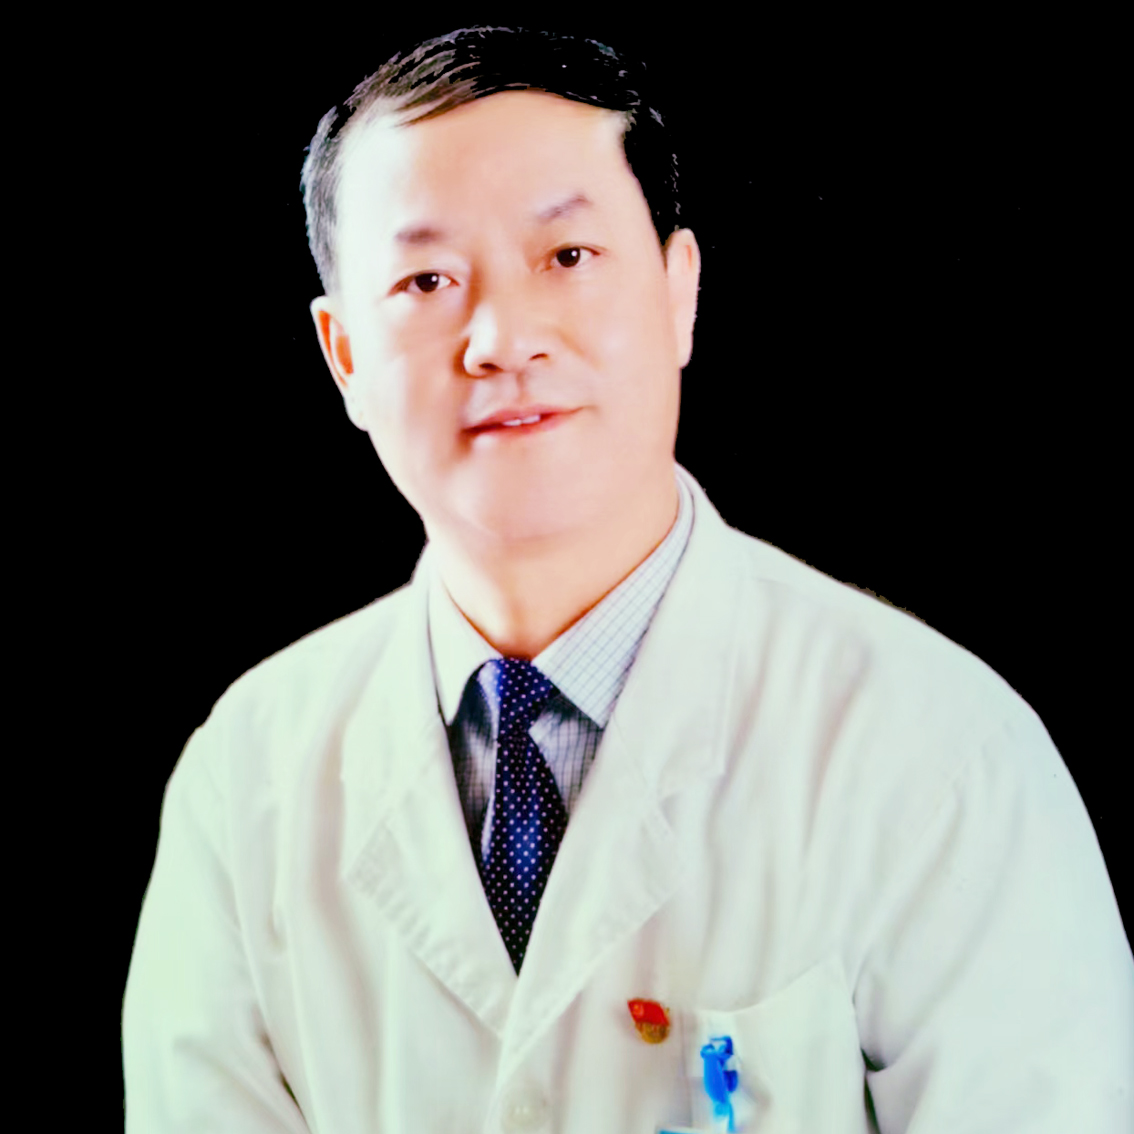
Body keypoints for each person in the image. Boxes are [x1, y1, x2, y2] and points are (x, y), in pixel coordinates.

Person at [122, 25, 1134, 1133]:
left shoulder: (940, 754)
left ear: (678, 291)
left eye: (567, 257)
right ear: (346, 358)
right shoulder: (246, 780)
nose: (503, 339)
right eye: (427, 279)